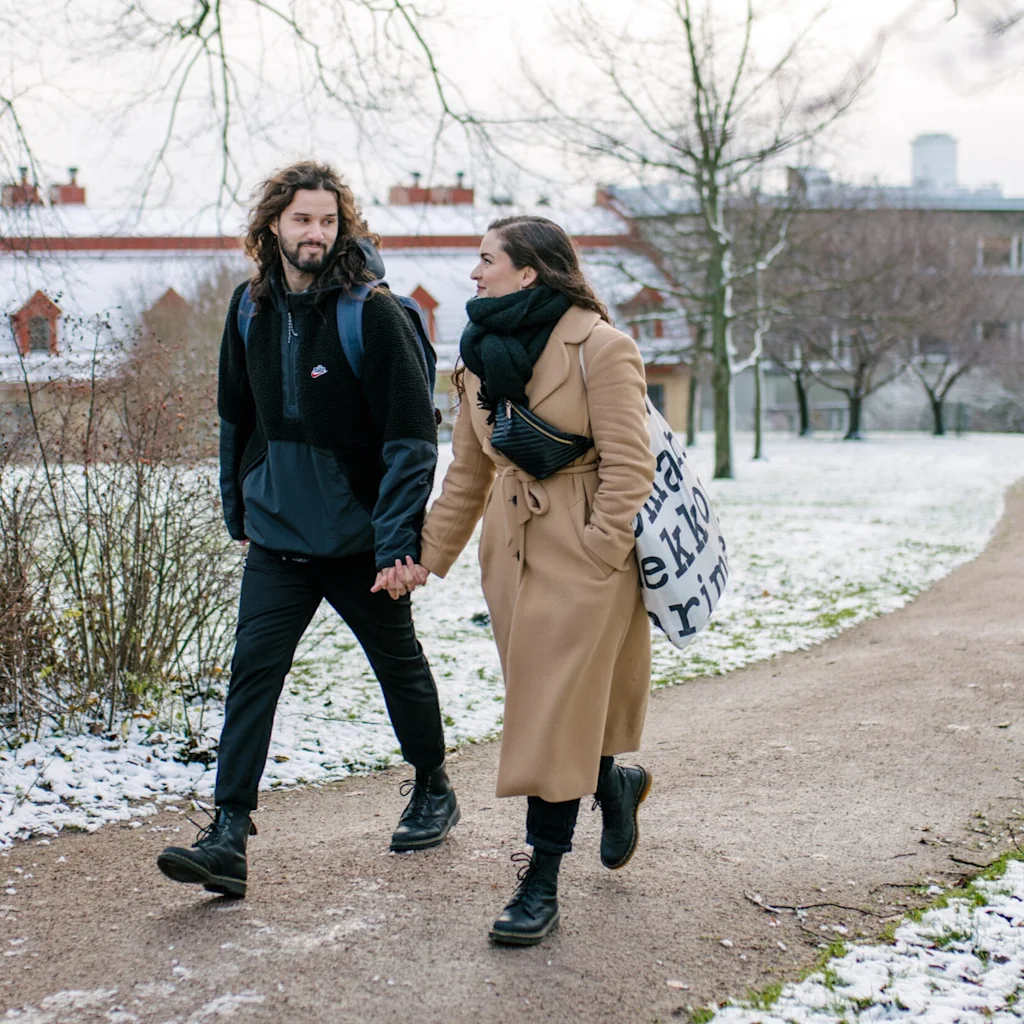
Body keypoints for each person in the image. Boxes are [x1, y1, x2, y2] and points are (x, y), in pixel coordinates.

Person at [157, 161, 459, 899]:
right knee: (252, 676)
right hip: (279, 540)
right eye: (302, 220)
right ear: (273, 227)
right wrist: (238, 504)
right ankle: (228, 831)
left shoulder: (372, 312)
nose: (316, 233)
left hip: (361, 543)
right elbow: (237, 415)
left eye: (328, 220)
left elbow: (412, 439)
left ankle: (433, 786)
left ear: (341, 226)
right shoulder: (248, 309)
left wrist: (397, 541)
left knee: (400, 667)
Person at [378, 216, 656, 945]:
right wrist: (424, 560)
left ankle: (541, 878)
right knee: (550, 705)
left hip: (586, 556)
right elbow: (468, 474)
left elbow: (633, 466)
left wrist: (600, 548)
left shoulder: (601, 347)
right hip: (510, 554)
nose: (474, 274)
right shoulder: (473, 358)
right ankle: (611, 781)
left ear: (529, 271)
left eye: (486, 260)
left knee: (547, 711)